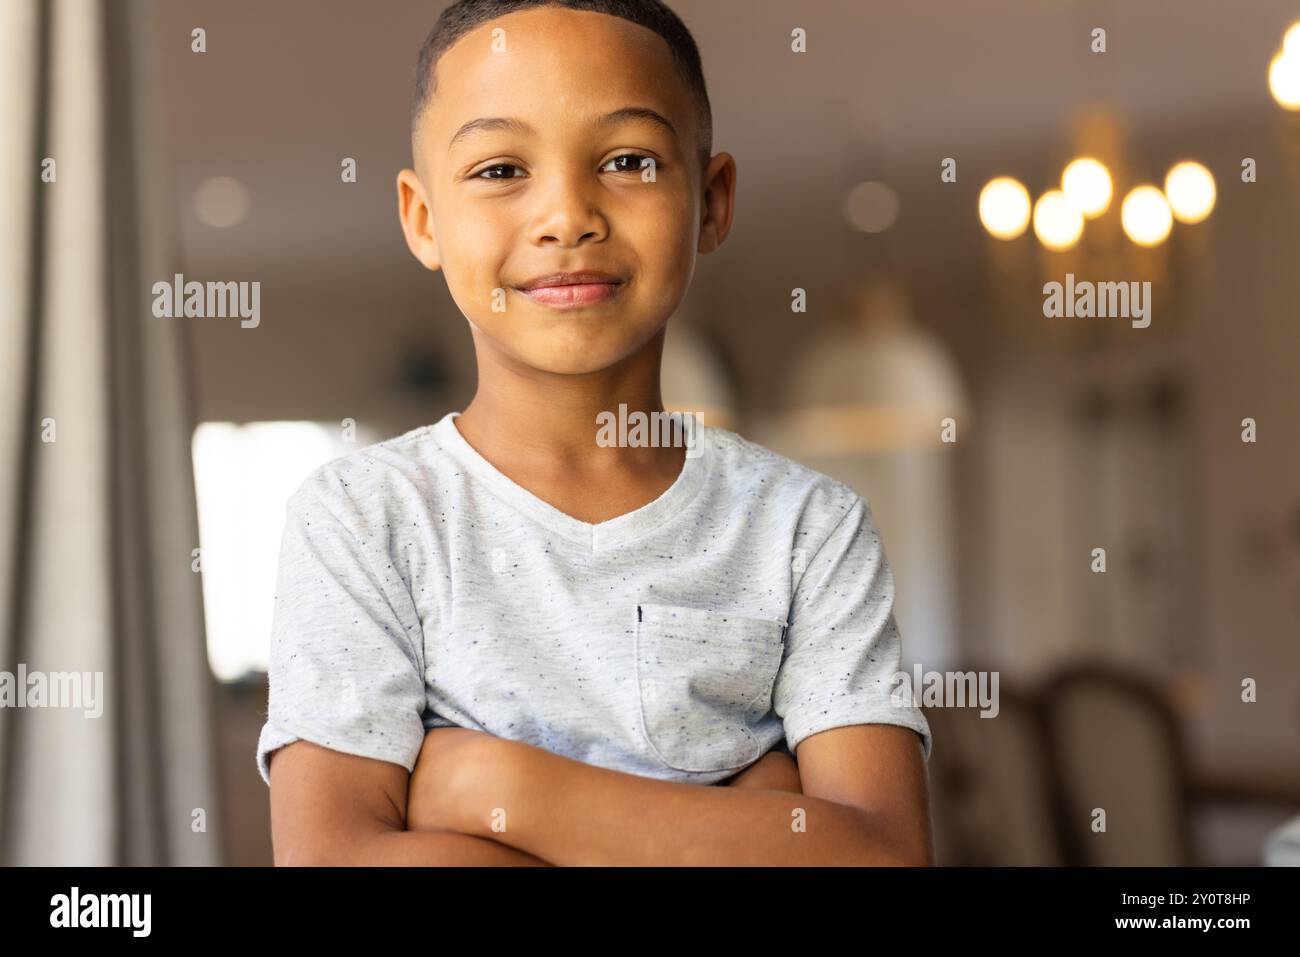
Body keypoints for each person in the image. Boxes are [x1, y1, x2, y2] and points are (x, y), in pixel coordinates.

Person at [259, 0, 932, 866]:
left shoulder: (809, 528)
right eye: (501, 168)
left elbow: (881, 857)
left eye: (627, 160)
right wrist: (748, 812)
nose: (566, 216)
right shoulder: (363, 517)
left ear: (712, 200)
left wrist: (495, 788)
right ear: (423, 218)